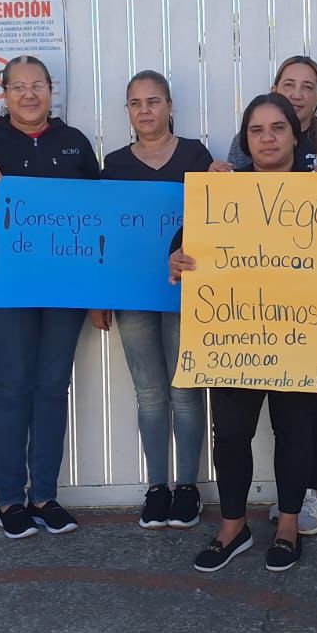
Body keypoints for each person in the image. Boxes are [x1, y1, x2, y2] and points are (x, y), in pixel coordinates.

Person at [177, 93, 317, 574]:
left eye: (277, 128)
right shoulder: (223, 189)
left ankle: (288, 525)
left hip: (299, 337)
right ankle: (232, 526)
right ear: (245, 139)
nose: (267, 138)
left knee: (294, 431)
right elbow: (185, 242)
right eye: (256, 130)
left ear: (295, 134)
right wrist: (176, 257)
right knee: (229, 432)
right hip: (235, 336)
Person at [0, 55, 99, 540]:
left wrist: (100, 290)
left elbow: (97, 219)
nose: (28, 94)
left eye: (36, 85)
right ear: (3, 94)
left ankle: (44, 495)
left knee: (51, 384)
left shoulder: (74, 143)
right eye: (18, 86)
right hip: (3, 278)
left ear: (50, 89)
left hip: (65, 282)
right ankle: (9, 499)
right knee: (12, 385)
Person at [226, 55, 317, 533]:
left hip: (315, 307)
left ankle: (312, 495)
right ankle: (281, 503)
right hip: (250, 316)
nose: (299, 93)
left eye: (308, 87)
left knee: (312, 408)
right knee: (251, 422)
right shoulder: (238, 167)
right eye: (289, 84)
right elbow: (210, 233)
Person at [92, 71, 222, 530]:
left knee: (185, 393)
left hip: (187, 291)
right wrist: (99, 296)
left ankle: (187, 487)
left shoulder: (196, 156)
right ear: (127, 110)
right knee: (149, 394)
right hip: (131, 294)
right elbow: (101, 235)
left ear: (169, 105)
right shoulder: (113, 164)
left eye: (153, 101)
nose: (144, 110)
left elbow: (219, 215)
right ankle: (157, 486)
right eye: (135, 103)